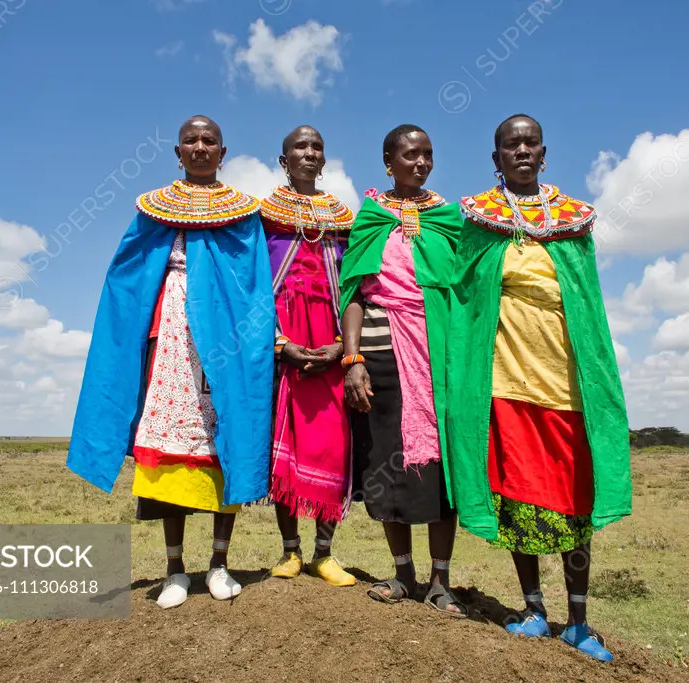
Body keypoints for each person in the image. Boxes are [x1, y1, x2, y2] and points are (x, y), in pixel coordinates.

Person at [67, 115, 276, 610]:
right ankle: (175, 569)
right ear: (177, 151)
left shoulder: (243, 213)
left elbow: (253, 286)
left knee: (227, 445)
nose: (200, 147)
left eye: (210, 141)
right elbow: (128, 276)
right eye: (191, 140)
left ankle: (220, 563)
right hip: (169, 346)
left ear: (223, 152)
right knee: (169, 451)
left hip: (223, 344)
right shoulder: (152, 209)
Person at [444, 114, 632, 661]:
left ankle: (578, 620)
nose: (521, 150)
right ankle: (532, 609)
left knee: (575, 506)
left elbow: (588, 307)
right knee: (518, 502)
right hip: (504, 383)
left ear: (544, 154)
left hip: (567, 389)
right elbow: (454, 283)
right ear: (496, 157)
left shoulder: (574, 224)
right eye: (510, 144)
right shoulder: (476, 220)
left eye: (530, 144)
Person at [338, 124, 466, 617]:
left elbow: (463, 289)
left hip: (438, 353)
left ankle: (440, 580)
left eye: (428, 154)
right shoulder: (369, 216)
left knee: (440, 468)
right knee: (386, 459)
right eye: (410, 154)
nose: (421, 162)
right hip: (380, 351)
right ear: (388, 161)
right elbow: (352, 292)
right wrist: (352, 360)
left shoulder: (447, 218)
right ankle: (402, 572)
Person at [260, 125, 357, 587]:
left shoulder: (342, 217)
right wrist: (281, 346)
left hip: (332, 340)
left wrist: (344, 345)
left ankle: (324, 553)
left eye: (317, 146)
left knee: (332, 445)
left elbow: (355, 284)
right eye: (300, 146)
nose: (310, 152)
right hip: (283, 341)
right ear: (284, 160)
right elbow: (255, 287)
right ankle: (290, 551)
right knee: (286, 447)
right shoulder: (263, 216)